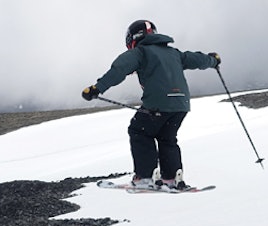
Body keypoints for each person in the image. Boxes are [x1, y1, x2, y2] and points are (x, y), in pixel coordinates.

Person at [82, 20, 220, 191]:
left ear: (133, 37)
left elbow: (120, 69)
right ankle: (172, 178)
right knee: (167, 138)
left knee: (139, 130)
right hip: (180, 104)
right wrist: (213, 60)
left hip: (158, 103)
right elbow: (197, 60)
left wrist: (97, 88)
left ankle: (145, 177)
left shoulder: (141, 52)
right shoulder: (174, 53)